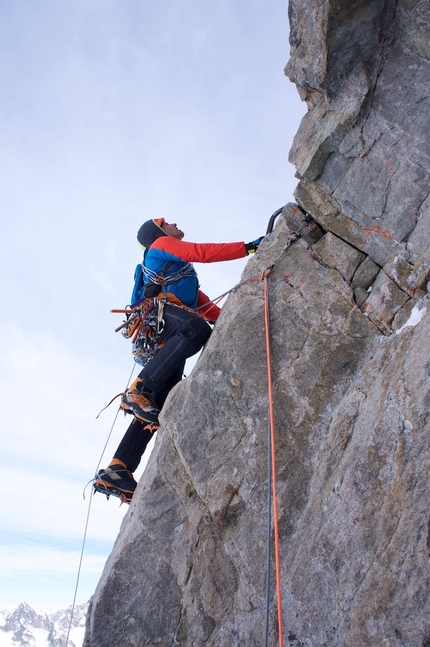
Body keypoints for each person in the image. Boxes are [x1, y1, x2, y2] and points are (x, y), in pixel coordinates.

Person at [94, 218, 263, 502]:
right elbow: (200, 251)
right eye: (165, 222)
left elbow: (202, 304)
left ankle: (119, 467)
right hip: (166, 321)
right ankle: (139, 389)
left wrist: (232, 323)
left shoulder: (179, 273)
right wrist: (248, 249)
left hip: (167, 335)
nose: (173, 223)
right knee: (195, 329)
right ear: (158, 233)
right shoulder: (160, 246)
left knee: (159, 408)